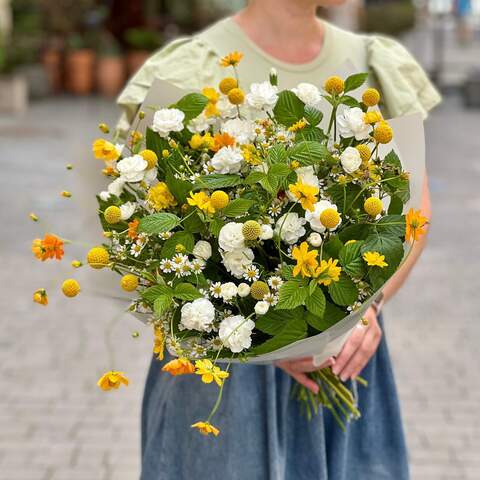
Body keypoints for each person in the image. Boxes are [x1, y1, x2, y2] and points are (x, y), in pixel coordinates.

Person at [117, 1, 440, 478]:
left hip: (344, 353)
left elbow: (416, 211)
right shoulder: (190, 68)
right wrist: (263, 338)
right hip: (221, 374)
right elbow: (141, 224)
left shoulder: (374, 64)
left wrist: (366, 311)